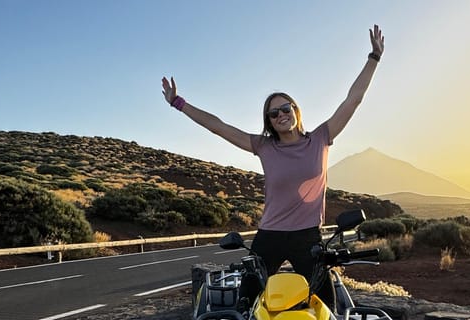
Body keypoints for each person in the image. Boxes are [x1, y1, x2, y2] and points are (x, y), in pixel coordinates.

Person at [161, 25, 384, 313]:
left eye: (286, 108)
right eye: (274, 113)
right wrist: (179, 103)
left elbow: (353, 99)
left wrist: (374, 58)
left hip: (308, 237)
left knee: (326, 307)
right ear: (269, 120)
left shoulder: (320, 138)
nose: (281, 115)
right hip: (270, 234)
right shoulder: (264, 146)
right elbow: (218, 126)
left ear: (296, 110)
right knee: (246, 301)